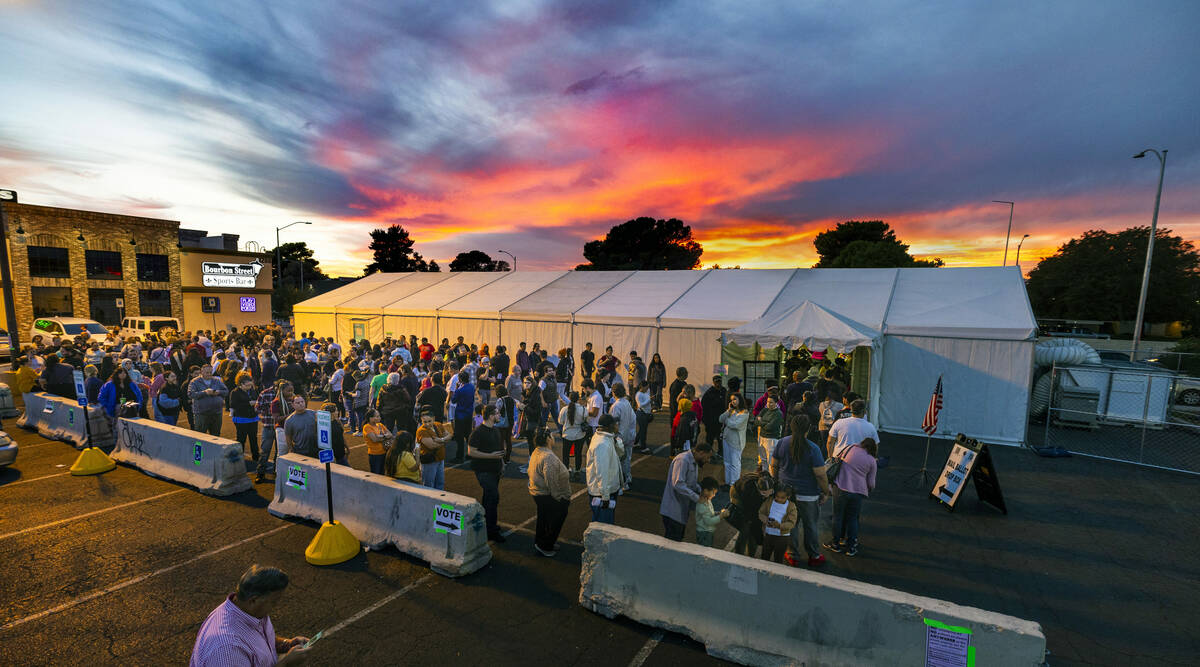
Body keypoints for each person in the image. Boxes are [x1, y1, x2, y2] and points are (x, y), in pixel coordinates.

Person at [189, 564, 310, 666]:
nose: (276, 606)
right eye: (274, 601)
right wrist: (286, 664)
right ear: (254, 600)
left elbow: (257, 638)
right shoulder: (227, 649)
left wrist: (286, 644)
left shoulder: (249, 611)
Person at [771, 414, 831, 568]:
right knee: (810, 525)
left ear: (791, 427)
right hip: (808, 495)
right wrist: (826, 491)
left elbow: (774, 465)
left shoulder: (782, 443)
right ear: (809, 429)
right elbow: (820, 475)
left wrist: (776, 484)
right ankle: (814, 555)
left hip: (786, 494)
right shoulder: (813, 448)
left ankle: (792, 554)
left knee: (792, 524)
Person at [825, 437, 878, 557]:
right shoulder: (871, 460)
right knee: (852, 519)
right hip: (858, 492)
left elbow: (835, 461)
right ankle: (851, 547)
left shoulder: (849, 449)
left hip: (840, 487)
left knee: (837, 517)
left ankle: (835, 544)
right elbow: (871, 483)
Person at [527, 429, 571, 557]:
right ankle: (546, 545)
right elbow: (551, 480)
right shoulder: (548, 457)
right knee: (556, 518)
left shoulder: (537, 451)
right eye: (552, 436)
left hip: (538, 493)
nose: (554, 438)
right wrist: (559, 497)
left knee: (544, 518)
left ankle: (541, 541)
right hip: (546, 495)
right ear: (547, 439)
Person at [659, 442, 713, 541]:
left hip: (680, 511)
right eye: (707, 457)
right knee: (672, 544)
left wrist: (700, 490)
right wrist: (698, 498)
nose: (708, 461)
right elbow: (678, 484)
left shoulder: (694, 462)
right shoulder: (682, 460)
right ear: (701, 452)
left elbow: (690, 483)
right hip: (673, 512)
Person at [468, 405, 506, 542]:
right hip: (483, 471)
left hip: (495, 470)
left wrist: (501, 464)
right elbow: (471, 451)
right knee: (493, 498)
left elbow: (499, 451)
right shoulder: (478, 432)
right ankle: (491, 530)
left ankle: (485, 524)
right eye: (497, 413)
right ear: (490, 415)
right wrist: (491, 456)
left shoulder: (496, 430)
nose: (499, 415)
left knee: (488, 498)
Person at [585, 414, 623, 524]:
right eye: (615, 424)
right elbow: (602, 471)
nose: (617, 425)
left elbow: (621, 454)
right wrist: (605, 496)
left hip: (605, 490)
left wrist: (617, 441)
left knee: (601, 522)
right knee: (603, 525)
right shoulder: (602, 444)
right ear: (609, 426)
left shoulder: (606, 437)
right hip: (602, 493)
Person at [726, 471, 772, 557]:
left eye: (769, 492)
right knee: (746, 527)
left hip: (752, 493)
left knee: (754, 529)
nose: (766, 496)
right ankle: (738, 554)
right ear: (758, 489)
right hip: (737, 492)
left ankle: (751, 554)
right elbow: (751, 514)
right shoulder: (749, 489)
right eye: (764, 493)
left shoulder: (771, 483)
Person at [759, 482, 799, 564]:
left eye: (782, 498)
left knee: (778, 559)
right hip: (768, 535)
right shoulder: (769, 501)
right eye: (777, 496)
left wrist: (779, 526)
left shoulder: (791, 506)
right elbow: (761, 513)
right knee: (764, 557)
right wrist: (766, 520)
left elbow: (791, 523)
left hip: (782, 537)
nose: (779, 499)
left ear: (788, 497)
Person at [608, 384, 637, 492]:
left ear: (614, 393)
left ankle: (622, 484)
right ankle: (628, 477)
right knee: (627, 459)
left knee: (618, 462)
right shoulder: (627, 403)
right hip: (629, 435)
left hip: (620, 437)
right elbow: (633, 418)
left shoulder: (616, 406)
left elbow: (613, 423)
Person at [416, 409, 452, 489]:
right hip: (429, 461)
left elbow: (450, 435)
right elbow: (432, 445)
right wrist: (445, 440)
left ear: (434, 419)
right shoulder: (421, 431)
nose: (427, 424)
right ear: (421, 421)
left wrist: (440, 440)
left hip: (440, 458)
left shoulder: (438, 424)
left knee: (440, 483)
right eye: (424, 422)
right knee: (429, 485)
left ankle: (438, 501)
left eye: (429, 421)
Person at [718, 394, 750, 487]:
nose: (733, 401)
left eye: (735, 399)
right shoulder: (731, 411)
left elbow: (735, 425)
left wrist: (727, 420)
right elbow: (720, 419)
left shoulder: (745, 413)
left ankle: (734, 484)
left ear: (740, 400)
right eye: (731, 400)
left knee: (735, 464)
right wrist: (728, 411)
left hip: (736, 442)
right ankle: (728, 483)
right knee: (727, 462)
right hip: (726, 439)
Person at [189, 364, 229, 437]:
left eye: (210, 372)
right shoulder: (195, 382)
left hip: (216, 413)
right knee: (200, 436)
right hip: (201, 413)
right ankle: (199, 449)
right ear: (202, 372)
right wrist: (205, 392)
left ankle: (214, 449)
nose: (209, 374)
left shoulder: (217, 380)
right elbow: (191, 394)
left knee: (216, 436)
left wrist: (218, 392)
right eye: (207, 372)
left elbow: (226, 391)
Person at [230, 376, 260, 461]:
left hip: (253, 418)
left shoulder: (253, 390)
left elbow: (257, 399)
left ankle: (256, 456)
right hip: (241, 419)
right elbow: (233, 405)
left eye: (250, 385)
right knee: (241, 439)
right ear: (241, 384)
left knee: (253, 438)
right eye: (247, 385)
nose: (249, 387)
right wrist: (248, 403)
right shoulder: (235, 392)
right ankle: (239, 457)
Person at [558, 391, 587, 480]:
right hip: (579, 435)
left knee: (565, 454)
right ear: (578, 399)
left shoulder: (564, 409)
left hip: (567, 435)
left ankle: (566, 470)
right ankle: (577, 471)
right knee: (578, 454)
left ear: (569, 398)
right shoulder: (583, 409)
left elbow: (560, 421)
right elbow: (586, 419)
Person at [450, 371, 476, 464]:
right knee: (468, 434)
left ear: (460, 379)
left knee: (459, 437)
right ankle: (470, 453)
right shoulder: (471, 387)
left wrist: (456, 388)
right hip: (468, 413)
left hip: (460, 415)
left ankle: (459, 456)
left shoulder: (460, 390)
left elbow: (453, 400)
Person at [754, 394, 784, 473]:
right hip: (762, 437)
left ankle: (772, 479)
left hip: (771, 439)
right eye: (767, 402)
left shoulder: (778, 413)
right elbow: (756, 422)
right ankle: (764, 477)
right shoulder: (765, 410)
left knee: (771, 462)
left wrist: (761, 422)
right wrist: (764, 423)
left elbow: (770, 427)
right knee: (763, 460)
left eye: (771, 402)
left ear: (776, 403)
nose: (768, 404)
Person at [700, 376, 727, 450]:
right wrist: (705, 420)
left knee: (720, 438)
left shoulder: (724, 391)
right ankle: (708, 452)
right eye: (716, 381)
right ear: (714, 382)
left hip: (721, 420)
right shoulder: (709, 393)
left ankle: (721, 452)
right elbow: (703, 407)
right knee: (710, 438)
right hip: (711, 421)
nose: (718, 383)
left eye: (719, 381)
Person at [693, 477, 722, 547]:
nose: (714, 495)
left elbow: (708, 513)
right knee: (705, 550)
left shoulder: (707, 500)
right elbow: (708, 521)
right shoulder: (702, 505)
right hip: (704, 533)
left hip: (708, 532)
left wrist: (716, 513)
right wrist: (721, 516)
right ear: (706, 491)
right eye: (713, 492)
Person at [362, 408, 392, 475]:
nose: (380, 418)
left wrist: (380, 436)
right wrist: (385, 436)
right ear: (371, 418)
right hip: (374, 455)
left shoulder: (380, 425)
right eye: (377, 416)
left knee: (382, 473)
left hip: (384, 452)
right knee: (376, 474)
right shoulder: (367, 427)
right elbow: (374, 439)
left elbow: (390, 434)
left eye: (379, 416)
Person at [818, 389, 845, 453]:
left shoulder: (821, 404)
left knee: (824, 444)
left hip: (822, 427)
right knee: (833, 444)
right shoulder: (840, 405)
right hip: (834, 427)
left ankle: (824, 458)